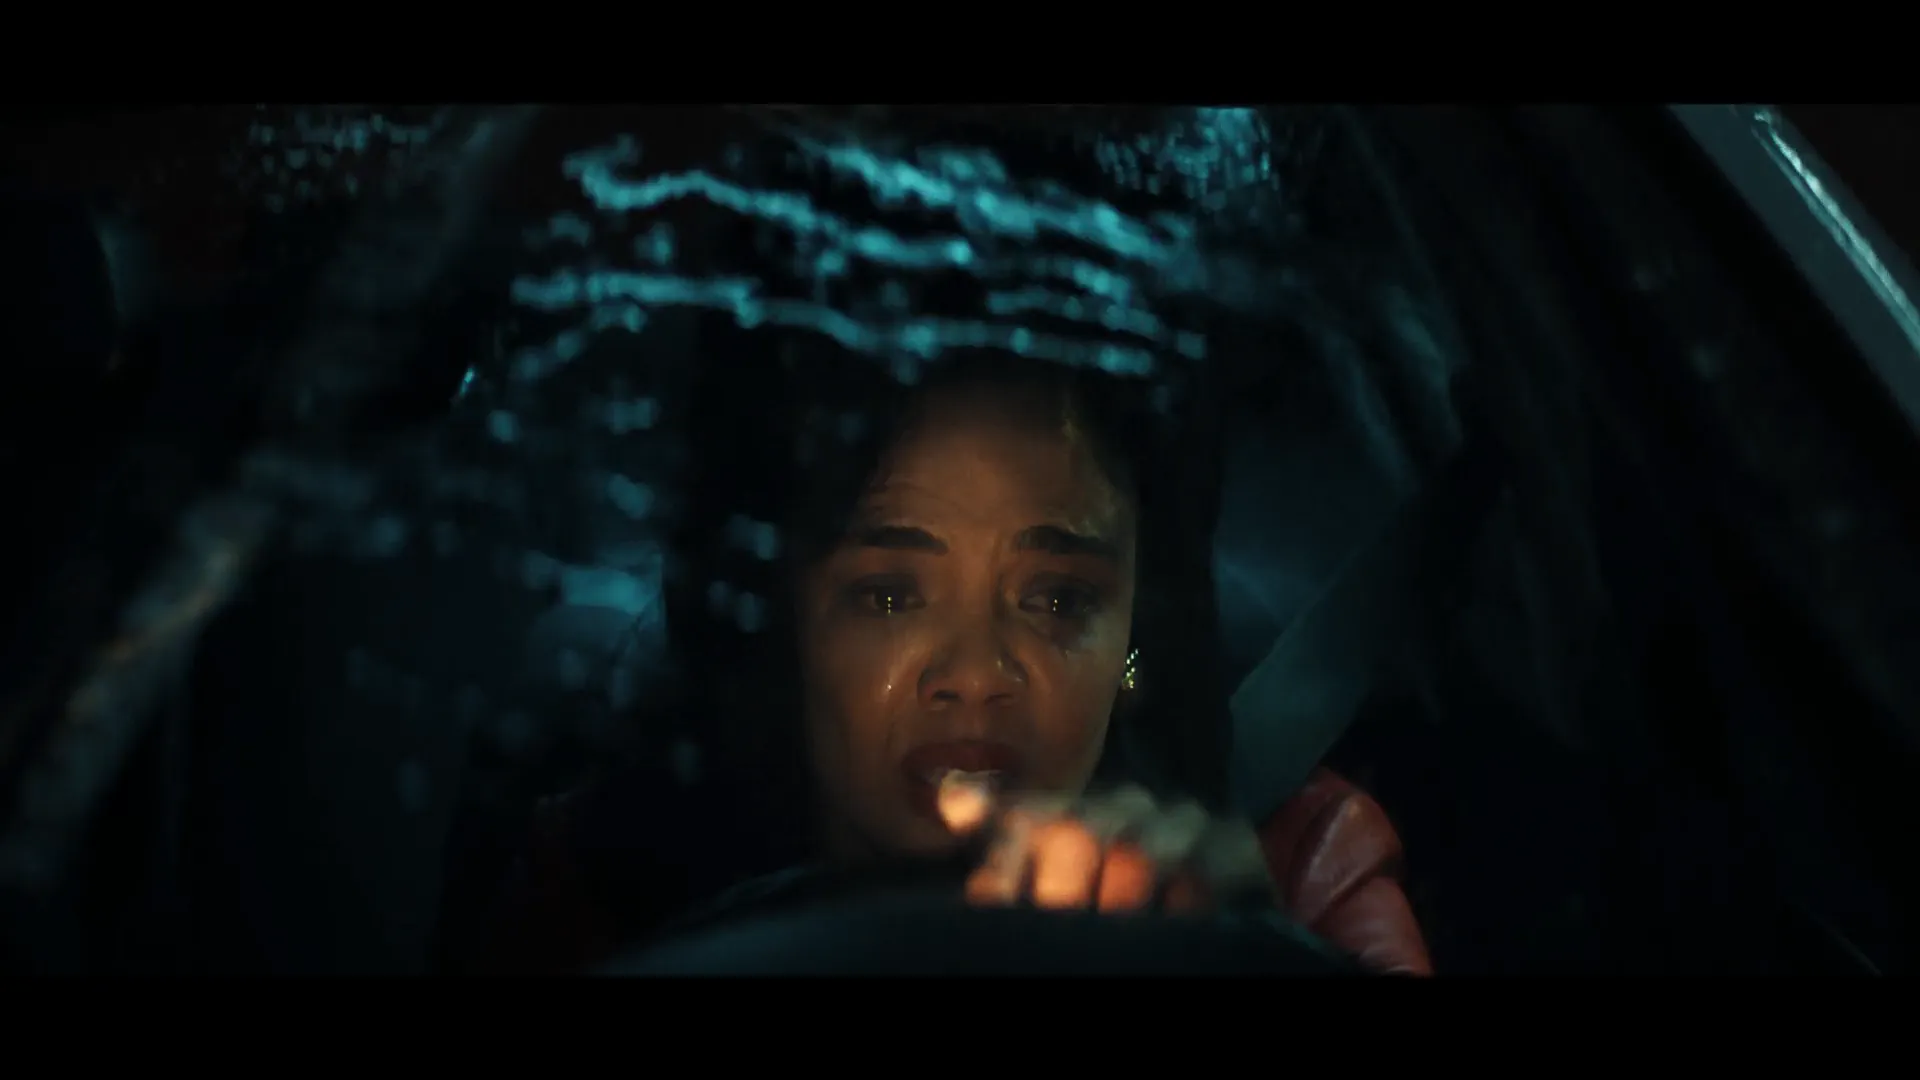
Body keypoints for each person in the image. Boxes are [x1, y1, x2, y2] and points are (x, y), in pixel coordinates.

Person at [451, 344, 1432, 976]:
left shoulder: (1300, 866)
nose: (976, 672)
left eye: (1058, 600)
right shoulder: (601, 895)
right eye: (888, 595)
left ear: (1135, 632)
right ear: (784, 628)